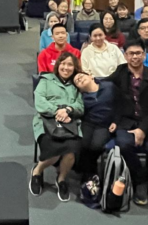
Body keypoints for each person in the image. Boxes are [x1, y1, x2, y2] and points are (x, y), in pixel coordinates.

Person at [105, 39, 148, 205]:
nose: (135, 57)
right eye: (131, 53)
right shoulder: (119, 73)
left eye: (138, 53)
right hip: (125, 122)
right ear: (125, 56)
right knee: (124, 145)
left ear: (144, 55)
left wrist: (142, 129)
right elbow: (104, 90)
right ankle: (139, 179)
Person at [29, 52, 84, 202]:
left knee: (71, 151)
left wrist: (68, 110)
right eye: (63, 64)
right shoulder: (46, 80)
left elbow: (80, 106)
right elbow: (39, 102)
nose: (66, 67)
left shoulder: (76, 84)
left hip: (69, 122)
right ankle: (37, 171)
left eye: (70, 65)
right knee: (54, 152)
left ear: (74, 68)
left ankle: (61, 179)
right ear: (58, 65)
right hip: (46, 121)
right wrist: (58, 111)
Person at [73, 73, 116, 179]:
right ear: (79, 89)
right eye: (77, 81)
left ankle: (90, 170)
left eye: (81, 76)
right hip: (89, 123)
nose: (80, 79)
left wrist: (116, 121)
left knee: (96, 146)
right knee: (83, 144)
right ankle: (88, 172)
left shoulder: (109, 86)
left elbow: (120, 104)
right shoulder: (81, 97)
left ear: (91, 76)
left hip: (105, 124)